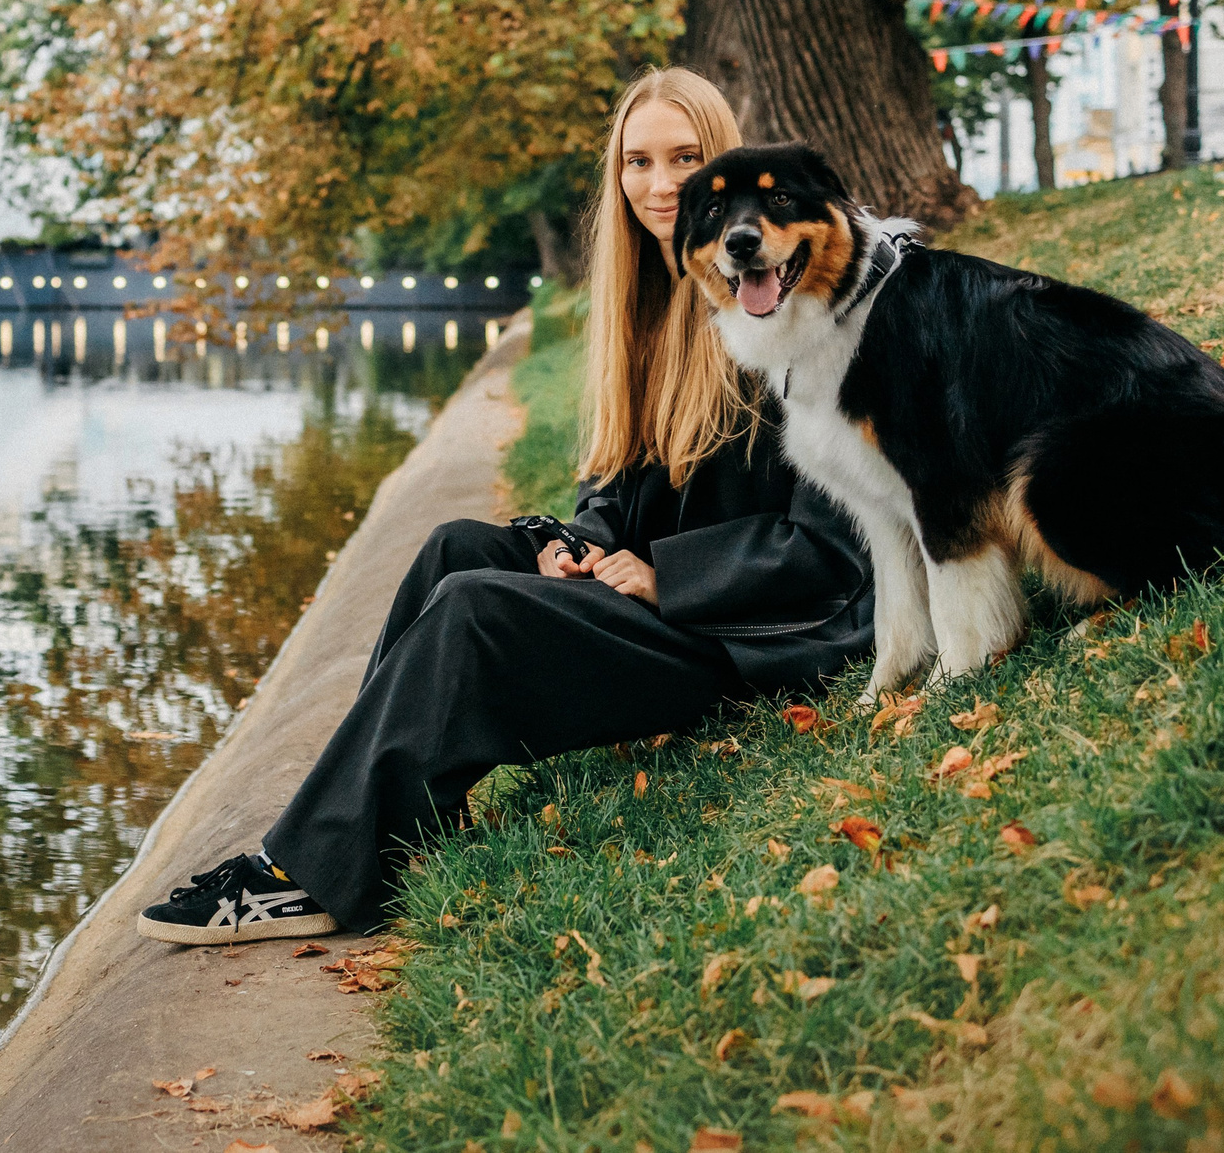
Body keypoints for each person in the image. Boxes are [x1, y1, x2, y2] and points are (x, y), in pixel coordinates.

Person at [136, 67, 876, 944]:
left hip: (755, 635)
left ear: (730, 167)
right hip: (680, 610)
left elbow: (835, 547)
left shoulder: (791, 302)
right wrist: (573, 542)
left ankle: (309, 872)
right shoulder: (650, 300)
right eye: (638, 160)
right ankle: (403, 831)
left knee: (475, 613)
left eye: (686, 156)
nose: (660, 182)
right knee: (458, 550)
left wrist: (661, 572)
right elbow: (624, 488)